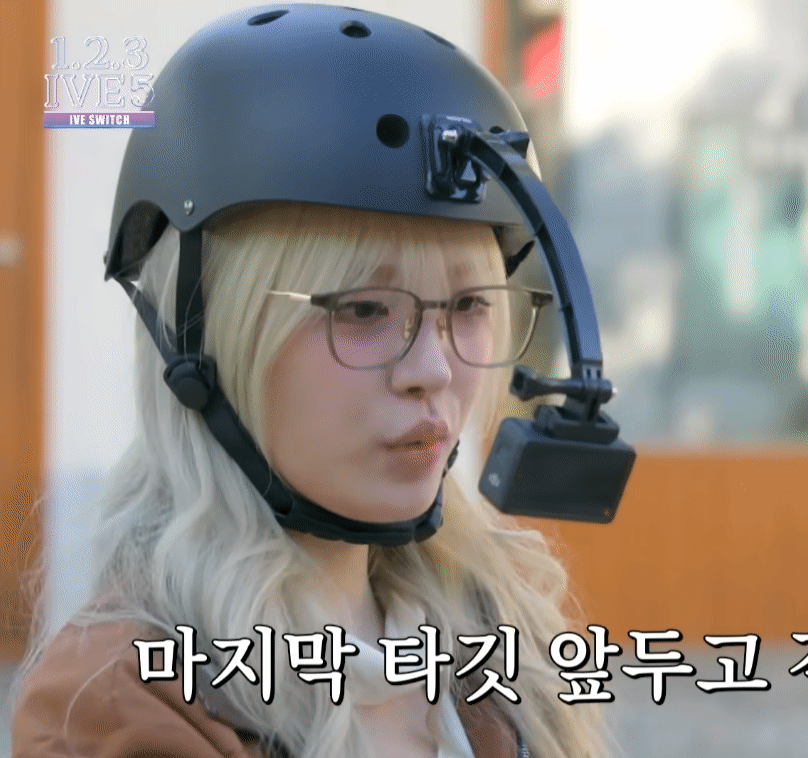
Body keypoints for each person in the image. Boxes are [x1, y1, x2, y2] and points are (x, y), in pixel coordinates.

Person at [12, 5, 605, 758]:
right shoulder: (118, 703)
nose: (433, 371)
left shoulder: (496, 625)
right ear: (199, 340)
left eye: (468, 306)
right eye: (362, 309)